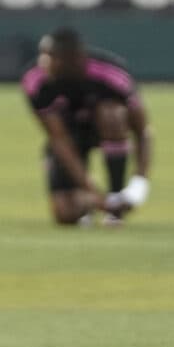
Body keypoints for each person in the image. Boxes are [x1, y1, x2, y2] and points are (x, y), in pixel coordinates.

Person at [21, 28, 152, 227]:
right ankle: (95, 204)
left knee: (112, 114)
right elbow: (59, 139)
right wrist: (92, 192)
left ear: (73, 59)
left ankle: (116, 196)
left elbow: (142, 131)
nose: (43, 63)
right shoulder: (35, 80)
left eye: (51, 57)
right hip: (70, 134)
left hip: (104, 128)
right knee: (65, 214)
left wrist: (139, 184)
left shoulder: (111, 75)